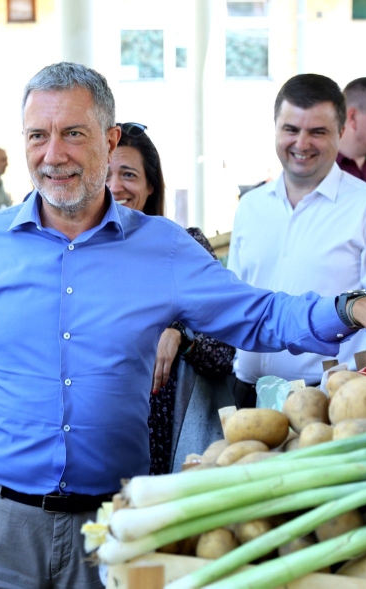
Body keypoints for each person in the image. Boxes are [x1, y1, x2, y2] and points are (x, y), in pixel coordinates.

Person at [0, 62, 366, 589]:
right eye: (38, 135)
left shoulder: (163, 250)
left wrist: (349, 308)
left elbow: (256, 313)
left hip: (115, 528)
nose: (52, 154)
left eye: (73, 134)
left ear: (109, 142)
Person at [228, 73, 366, 400]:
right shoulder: (251, 207)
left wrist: (342, 385)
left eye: (317, 132)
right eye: (291, 129)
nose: (301, 143)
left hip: (327, 397)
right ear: (276, 129)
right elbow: (236, 300)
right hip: (245, 393)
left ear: (341, 132)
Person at [105, 122, 235, 474]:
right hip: (96, 448)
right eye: (104, 175)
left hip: (172, 444)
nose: (115, 186)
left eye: (128, 174)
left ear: (150, 185)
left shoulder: (184, 247)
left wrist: (180, 334)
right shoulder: (76, 257)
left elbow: (226, 353)